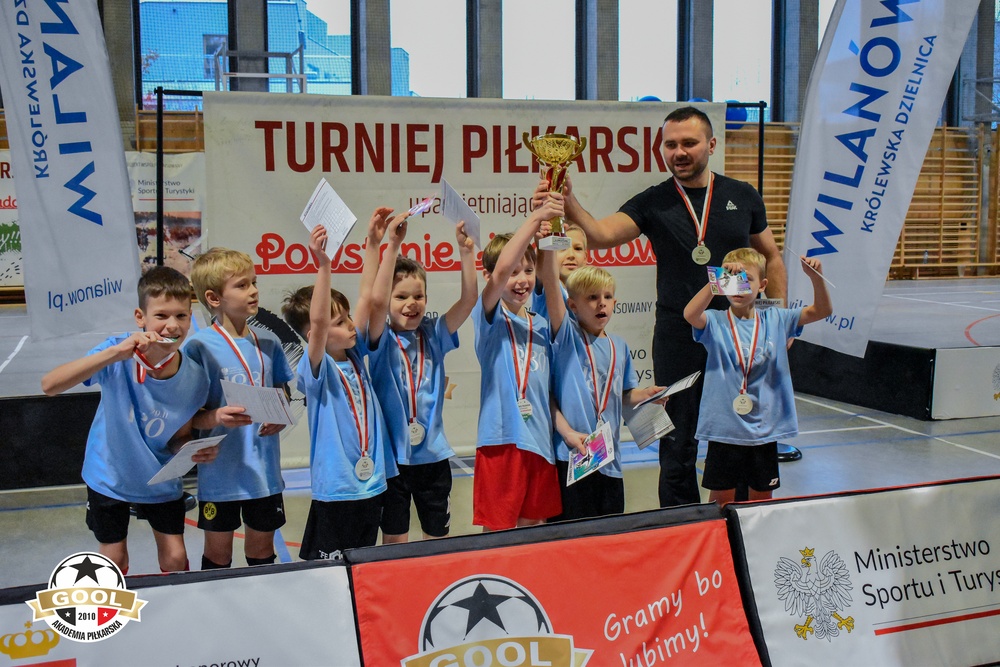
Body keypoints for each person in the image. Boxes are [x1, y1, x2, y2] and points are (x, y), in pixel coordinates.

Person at [539, 106, 788, 508]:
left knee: (742, 433)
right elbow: (599, 235)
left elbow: (771, 257)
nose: (679, 152)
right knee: (675, 440)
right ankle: (680, 525)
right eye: (670, 145)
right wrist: (568, 200)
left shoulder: (742, 196)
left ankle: (740, 521)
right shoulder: (654, 201)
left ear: (711, 144)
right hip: (678, 336)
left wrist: (776, 317)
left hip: (739, 336)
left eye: (689, 143)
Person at [40, 266, 216, 574]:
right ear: (140, 317)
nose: (172, 325)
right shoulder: (117, 352)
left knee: (175, 558)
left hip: (158, 481)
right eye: (161, 315)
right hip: (109, 477)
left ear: (191, 317)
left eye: (181, 316)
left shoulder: (196, 378)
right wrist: (115, 353)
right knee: (114, 560)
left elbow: (179, 437)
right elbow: (50, 385)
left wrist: (192, 451)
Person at [280, 210, 398, 558]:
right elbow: (318, 323)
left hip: (371, 484)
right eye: (340, 321)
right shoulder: (316, 368)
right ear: (313, 335)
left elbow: (367, 298)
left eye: (347, 319)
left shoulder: (356, 355)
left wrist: (374, 243)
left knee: (362, 564)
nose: (349, 325)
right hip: (337, 489)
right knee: (329, 571)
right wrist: (323, 265)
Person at [683, 248, 831, 505]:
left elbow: (822, 310)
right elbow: (690, 314)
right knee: (721, 501)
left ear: (762, 285)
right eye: (731, 281)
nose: (738, 287)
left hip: (764, 430)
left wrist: (815, 277)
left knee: (762, 500)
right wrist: (716, 282)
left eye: (746, 280)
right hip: (725, 430)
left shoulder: (777, 318)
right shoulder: (716, 321)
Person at [367, 219, 478, 544]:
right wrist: (392, 245)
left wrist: (466, 253)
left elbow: (468, 300)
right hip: (393, 460)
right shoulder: (379, 339)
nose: (411, 303)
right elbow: (375, 302)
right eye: (401, 296)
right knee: (394, 541)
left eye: (419, 295)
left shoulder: (434, 334)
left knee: (437, 539)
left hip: (433, 457)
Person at [186, 248, 293, 569]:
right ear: (214, 298)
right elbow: (189, 417)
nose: (254, 291)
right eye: (242, 285)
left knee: (262, 552)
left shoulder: (269, 343)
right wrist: (215, 417)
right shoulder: (198, 347)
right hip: (220, 474)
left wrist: (279, 415)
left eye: (254, 282)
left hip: (264, 474)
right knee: (218, 555)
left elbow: (283, 394)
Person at [540, 258, 667, 520]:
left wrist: (646, 396)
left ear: (615, 303)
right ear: (572, 305)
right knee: (572, 532)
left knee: (608, 530)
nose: (602, 303)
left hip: (608, 458)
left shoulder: (619, 346)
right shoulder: (567, 336)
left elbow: (625, 396)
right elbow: (551, 285)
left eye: (607, 297)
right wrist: (548, 249)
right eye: (592, 297)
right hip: (572, 456)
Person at [471, 196, 565, 531]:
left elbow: (545, 393)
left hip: (539, 441)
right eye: (513, 272)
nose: (521, 279)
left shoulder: (542, 324)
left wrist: (547, 232)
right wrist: (535, 217)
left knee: (535, 527)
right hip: (502, 440)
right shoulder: (489, 318)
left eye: (527, 270)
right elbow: (499, 274)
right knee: (498, 533)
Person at [531, 224, 588, 320]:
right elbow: (543, 269)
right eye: (562, 248)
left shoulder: (590, 295)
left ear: (585, 257)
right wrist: (542, 247)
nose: (571, 255)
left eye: (577, 248)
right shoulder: (547, 285)